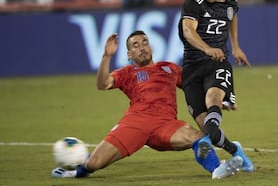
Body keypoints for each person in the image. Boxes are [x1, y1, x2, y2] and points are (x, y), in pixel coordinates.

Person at [51, 31, 243, 179]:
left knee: (199, 139)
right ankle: (75, 172)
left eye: (145, 43)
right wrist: (106, 56)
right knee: (94, 164)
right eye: (135, 45)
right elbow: (102, 84)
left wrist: (220, 99)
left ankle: (217, 169)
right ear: (129, 53)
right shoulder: (127, 72)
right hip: (135, 123)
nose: (142, 47)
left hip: (166, 124)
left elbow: (194, 89)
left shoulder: (170, 68)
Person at [178, 0, 254, 172]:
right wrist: (206, 48)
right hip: (192, 68)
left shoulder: (230, 0)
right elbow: (188, 31)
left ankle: (217, 150)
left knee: (214, 99)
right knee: (207, 128)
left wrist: (236, 47)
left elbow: (232, 18)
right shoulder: (193, 1)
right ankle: (235, 151)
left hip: (217, 64)